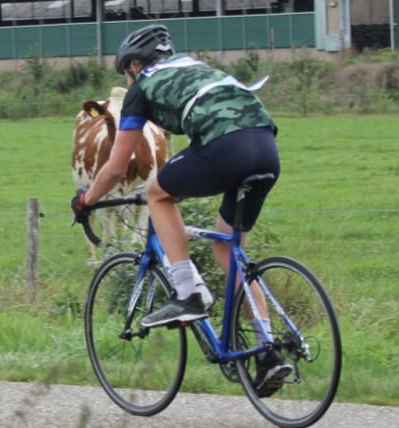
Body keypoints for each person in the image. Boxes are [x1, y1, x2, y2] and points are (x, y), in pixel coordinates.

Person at [75, 25, 292, 394]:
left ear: (135, 65)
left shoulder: (142, 85)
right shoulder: (197, 67)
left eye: (126, 72)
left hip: (226, 147)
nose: (127, 80)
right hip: (266, 149)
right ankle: (268, 352)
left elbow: (115, 167)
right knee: (228, 249)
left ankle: (187, 293)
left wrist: (87, 200)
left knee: (158, 194)